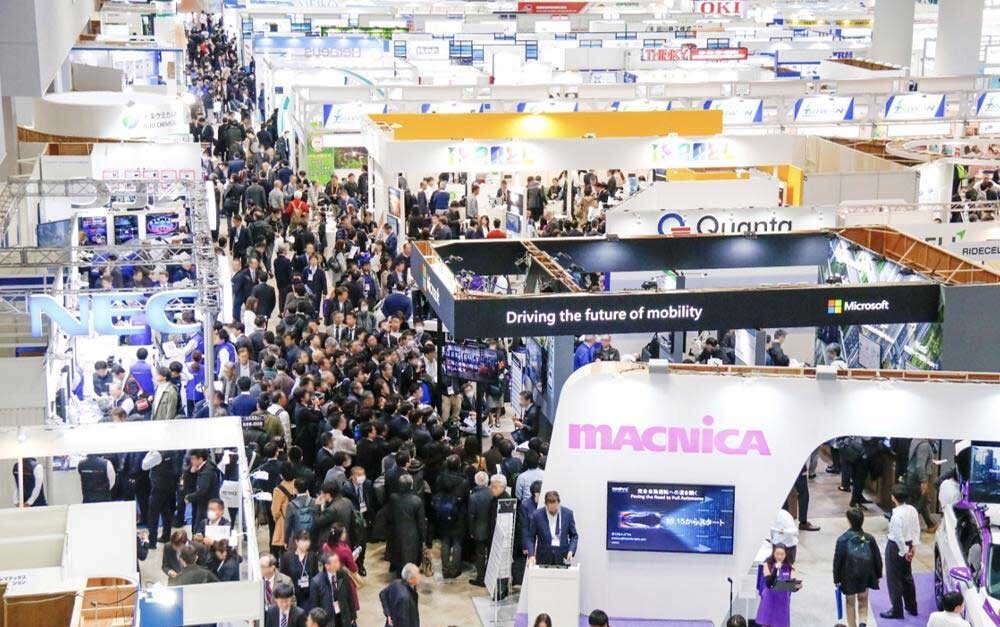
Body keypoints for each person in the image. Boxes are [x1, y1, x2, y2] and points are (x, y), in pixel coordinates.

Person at [833, 508, 882, 627]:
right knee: (863, 600)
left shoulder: (842, 539)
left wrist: (836, 578)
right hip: (866, 574)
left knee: (850, 603)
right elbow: (877, 558)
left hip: (848, 576)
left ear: (849, 521)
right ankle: (862, 624)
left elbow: (837, 561)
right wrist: (878, 574)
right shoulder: (869, 538)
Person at [880, 484, 920, 620]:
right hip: (909, 543)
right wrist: (913, 546)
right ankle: (912, 606)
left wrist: (904, 552)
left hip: (896, 547)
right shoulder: (912, 510)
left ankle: (897, 610)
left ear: (893, 498)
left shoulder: (896, 515)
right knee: (907, 576)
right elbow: (916, 528)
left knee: (894, 579)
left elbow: (898, 536)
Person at [387, 474, 427, 576]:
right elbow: (421, 522)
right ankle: (409, 580)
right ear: (411, 485)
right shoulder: (417, 500)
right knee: (410, 559)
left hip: (396, 532)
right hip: (412, 534)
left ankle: (399, 577)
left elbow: (389, 516)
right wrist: (423, 539)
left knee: (398, 557)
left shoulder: (393, 498)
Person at [525, 491, 579, 566]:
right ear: (546, 505)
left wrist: (571, 551)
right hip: (543, 558)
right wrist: (531, 555)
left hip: (562, 557)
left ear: (558, 503)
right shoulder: (537, 515)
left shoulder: (568, 514)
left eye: (555, 508)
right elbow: (531, 537)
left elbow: (574, 536)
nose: (553, 511)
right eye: (550, 509)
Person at [755, 544, 799, 627]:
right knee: (766, 624)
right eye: (777, 554)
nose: (779, 556)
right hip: (769, 599)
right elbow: (769, 583)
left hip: (782, 602)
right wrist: (775, 569)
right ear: (773, 553)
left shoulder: (790, 566)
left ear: (785, 555)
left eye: (782, 554)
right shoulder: (767, 564)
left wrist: (796, 587)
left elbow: (792, 584)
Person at [308, 553, 356, 627]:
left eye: (338, 561)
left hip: (343, 615)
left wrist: (353, 615)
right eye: (335, 562)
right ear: (327, 566)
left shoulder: (343, 575)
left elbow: (349, 596)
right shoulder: (316, 582)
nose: (338, 563)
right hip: (328, 620)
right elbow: (315, 606)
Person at [280, 530, 321, 607]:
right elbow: (283, 575)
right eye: (303, 540)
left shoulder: (312, 556)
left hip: (309, 595)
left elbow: (316, 574)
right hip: (293, 594)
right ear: (297, 541)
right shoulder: (287, 557)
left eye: (308, 540)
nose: (306, 543)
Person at [185, 449, 220, 534]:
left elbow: (202, 490)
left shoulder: (206, 472)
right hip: (206, 503)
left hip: (206, 504)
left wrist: (189, 497)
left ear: (200, 459)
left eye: (193, 459)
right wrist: (192, 473)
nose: (191, 461)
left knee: (201, 529)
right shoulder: (205, 467)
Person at [467, 470, 492, 587]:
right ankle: (490, 576)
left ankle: (481, 578)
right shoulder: (492, 493)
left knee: (480, 555)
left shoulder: (473, 497)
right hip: (491, 529)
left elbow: (471, 516)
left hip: (479, 529)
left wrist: (471, 530)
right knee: (491, 553)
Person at [379, 563, 421, 627]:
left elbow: (383, 594)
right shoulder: (405, 598)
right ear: (410, 579)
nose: (420, 576)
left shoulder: (396, 582)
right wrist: (388, 614)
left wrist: (388, 614)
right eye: (418, 574)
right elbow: (403, 623)